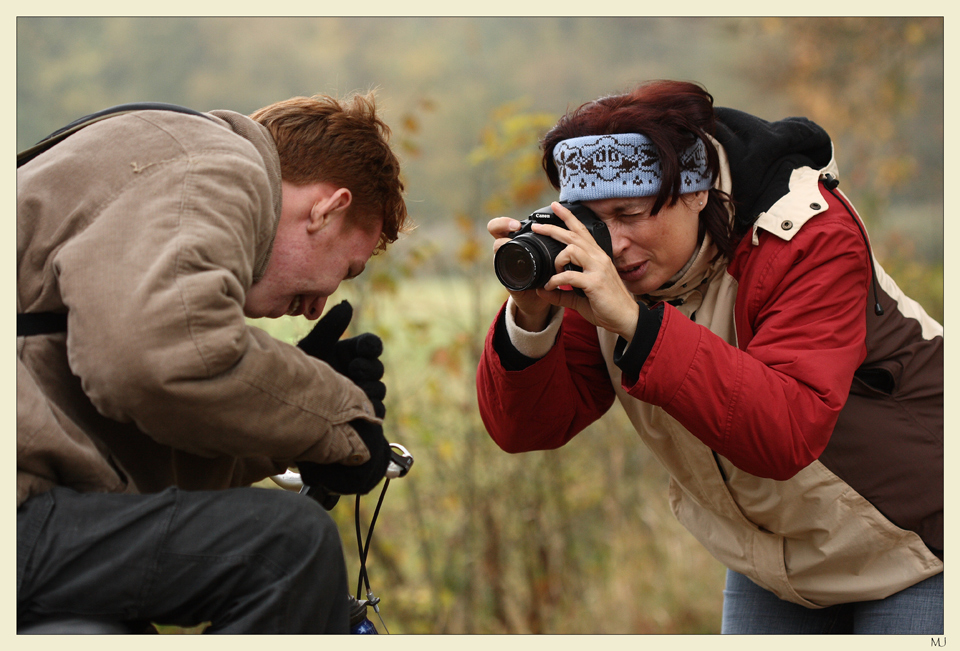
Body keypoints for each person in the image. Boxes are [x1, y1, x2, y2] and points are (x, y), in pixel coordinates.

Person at [476, 80, 943, 634]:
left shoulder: (807, 236)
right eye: (597, 221)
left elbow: (787, 429)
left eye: (631, 213)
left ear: (696, 193)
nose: (615, 243)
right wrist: (532, 316)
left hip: (919, 541)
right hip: (774, 556)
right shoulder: (607, 266)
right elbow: (526, 427)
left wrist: (635, 323)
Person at [17, 92, 408, 633]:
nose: (321, 303)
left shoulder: (165, 161)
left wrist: (292, 425)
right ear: (327, 209)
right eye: (347, 268)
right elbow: (151, 363)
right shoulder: (218, 164)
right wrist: (337, 418)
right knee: (287, 550)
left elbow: (124, 426)